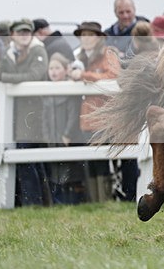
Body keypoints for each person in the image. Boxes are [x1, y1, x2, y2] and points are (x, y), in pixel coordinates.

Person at [0, 19, 50, 206]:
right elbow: (2, 74)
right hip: (19, 116)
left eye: (27, 31)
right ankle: (40, 204)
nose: (24, 35)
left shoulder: (38, 50)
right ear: (12, 34)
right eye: (20, 32)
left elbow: (33, 76)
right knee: (32, 161)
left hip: (36, 115)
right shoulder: (10, 55)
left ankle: (33, 204)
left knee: (29, 160)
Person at [70, 21, 123, 202]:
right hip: (87, 117)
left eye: (90, 35)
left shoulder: (108, 54)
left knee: (103, 161)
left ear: (99, 38)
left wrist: (85, 76)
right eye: (83, 35)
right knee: (91, 160)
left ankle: (105, 199)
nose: (86, 39)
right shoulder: (79, 57)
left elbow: (113, 77)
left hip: (104, 116)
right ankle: (96, 199)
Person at [42, 53, 86, 204]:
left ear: (65, 69)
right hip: (53, 139)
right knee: (56, 174)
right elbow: (44, 118)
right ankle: (58, 203)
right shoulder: (46, 90)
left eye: (57, 68)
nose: (53, 71)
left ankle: (73, 202)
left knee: (71, 174)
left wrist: (67, 134)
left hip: (69, 139)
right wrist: (47, 137)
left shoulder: (70, 88)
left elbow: (73, 114)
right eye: (51, 68)